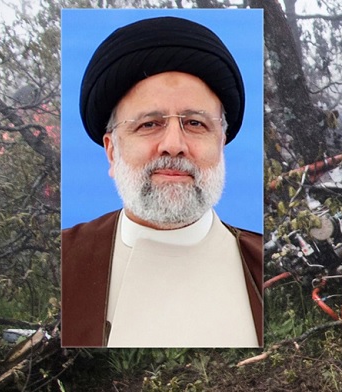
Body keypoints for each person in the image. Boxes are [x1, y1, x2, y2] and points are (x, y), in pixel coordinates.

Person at [61, 15, 263, 348]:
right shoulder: (65, 260)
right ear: (112, 152)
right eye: (149, 124)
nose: (174, 144)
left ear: (221, 145)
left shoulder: (264, 265)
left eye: (196, 124)